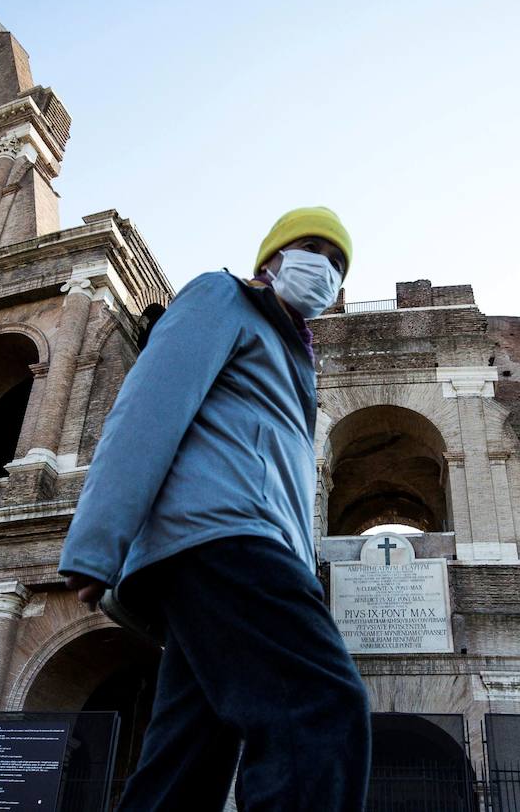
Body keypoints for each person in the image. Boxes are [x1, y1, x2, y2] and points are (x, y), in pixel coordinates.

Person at [58, 207, 371, 811]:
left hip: (244, 551)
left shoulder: (295, 361)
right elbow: (148, 407)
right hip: (223, 540)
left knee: (185, 764)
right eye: (315, 250)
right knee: (322, 706)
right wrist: (98, 543)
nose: (326, 271)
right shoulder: (221, 298)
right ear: (271, 259)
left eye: (339, 265)